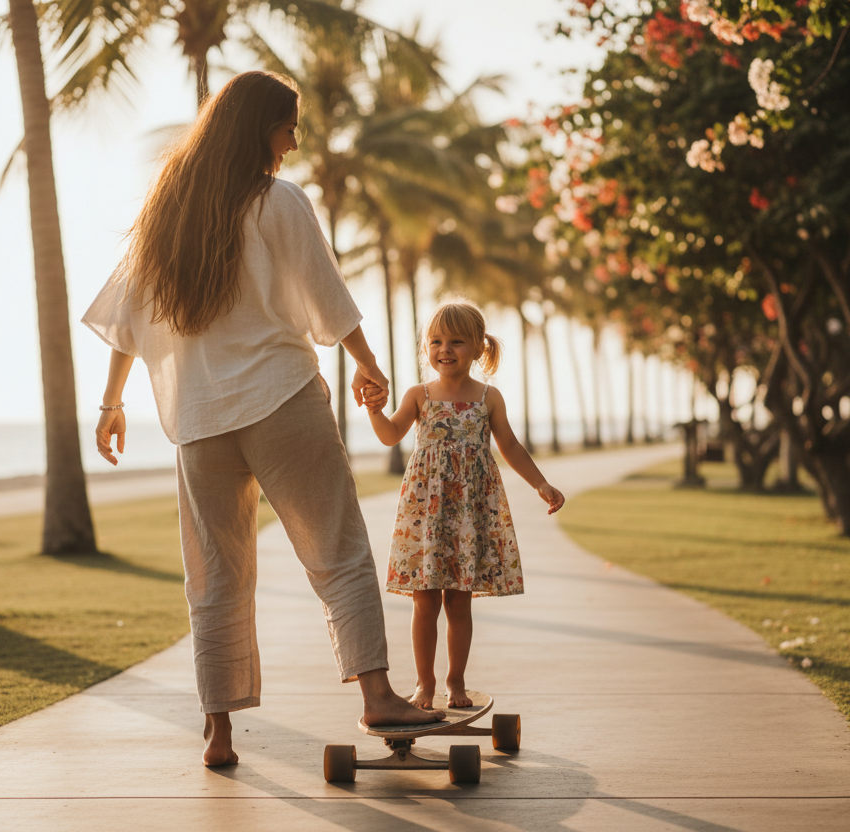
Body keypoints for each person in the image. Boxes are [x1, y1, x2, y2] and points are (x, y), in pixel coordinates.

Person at [81, 70, 441, 767]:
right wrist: (368, 363)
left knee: (213, 577)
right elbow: (328, 297)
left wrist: (111, 404)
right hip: (282, 402)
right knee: (336, 550)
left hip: (200, 421)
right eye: (288, 126)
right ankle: (376, 696)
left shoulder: (166, 216)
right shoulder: (279, 202)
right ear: (258, 130)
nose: (295, 141)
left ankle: (218, 732)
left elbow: (127, 322)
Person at [364, 301, 565, 709]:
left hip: (469, 511)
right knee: (424, 598)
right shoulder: (418, 395)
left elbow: (509, 445)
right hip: (426, 512)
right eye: (436, 341)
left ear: (477, 347)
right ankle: (425, 684)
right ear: (427, 348)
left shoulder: (489, 398)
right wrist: (374, 410)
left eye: (456, 341)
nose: (445, 349)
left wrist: (541, 484)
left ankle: (455, 682)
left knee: (458, 600)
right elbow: (389, 436)